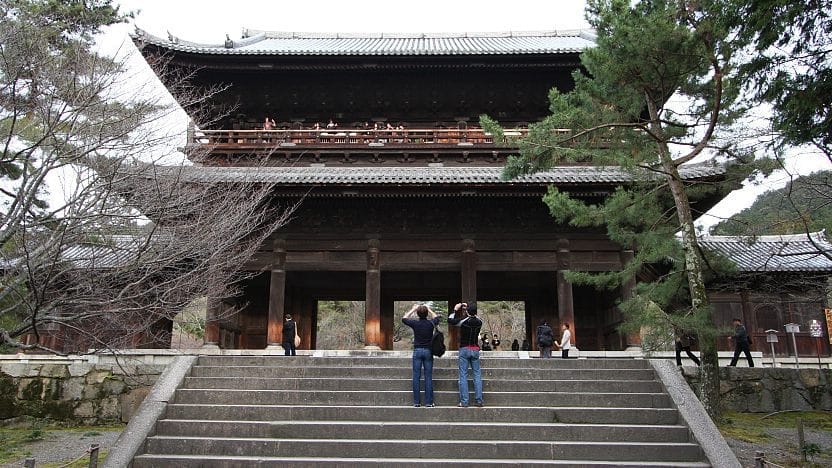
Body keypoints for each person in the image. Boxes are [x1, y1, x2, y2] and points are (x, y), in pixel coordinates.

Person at [402, 303, 440, 407]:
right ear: (427, 313)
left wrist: (413, 309)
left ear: (418, 314)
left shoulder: (415, 324)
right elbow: (436, 317)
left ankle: (416, 402)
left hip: (417, 350)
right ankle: (428, 402)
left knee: (416, 376)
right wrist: (429, 309)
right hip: (428, 351)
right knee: (428, 377)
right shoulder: (431, 323)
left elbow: (404, 318)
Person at [448, 301, 484, 407]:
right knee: (477, 375)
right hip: (475, 349)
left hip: (464, 349)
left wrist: (455, 309)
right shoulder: (480, 322)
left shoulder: (463, 321)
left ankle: (464, 401)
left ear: (467, 311)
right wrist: (468, 309)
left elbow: (450, 320)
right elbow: (474, 316)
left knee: (463, 375)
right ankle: (479, 400)